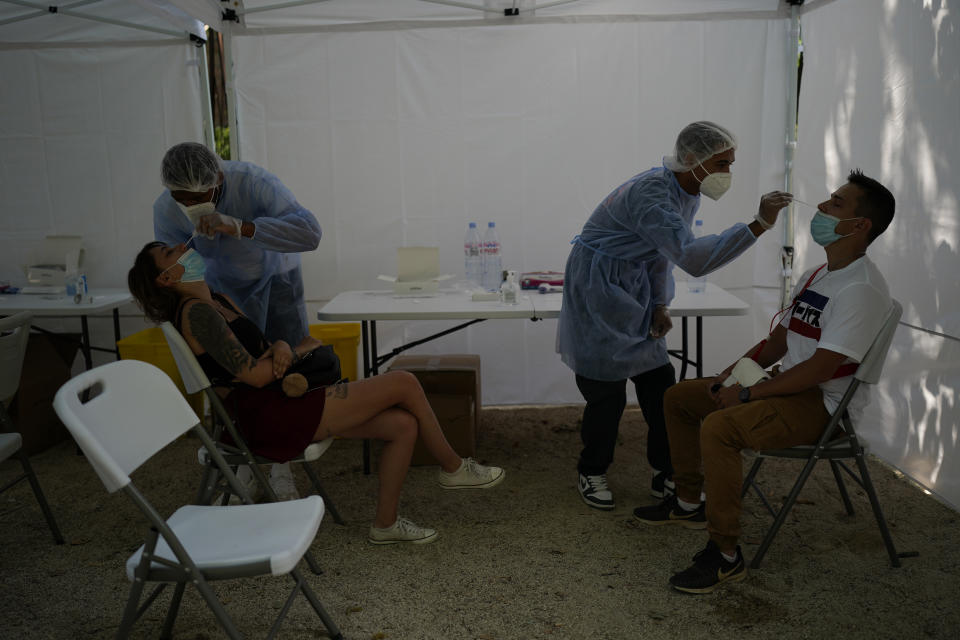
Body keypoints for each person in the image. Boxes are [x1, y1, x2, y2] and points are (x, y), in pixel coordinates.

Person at [128, 241, 505, 545]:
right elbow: (256, 376)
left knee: (403, 425)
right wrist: (284, 351)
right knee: (404, 382)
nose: (181, 246)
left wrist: (279, 346)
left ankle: (385, 525)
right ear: (165, 278)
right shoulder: (196, 314)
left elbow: (262, 351)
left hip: (277, 401)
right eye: (169, 253)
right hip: (264, 415)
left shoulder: (217, 300)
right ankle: (453, 467)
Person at [634, 169, 895, 593]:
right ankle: (687, 501)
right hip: (786, 384)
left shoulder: (862, 288)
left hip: (821, 405)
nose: (823, 208)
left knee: (721, 427)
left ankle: (725, 555)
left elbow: (820, 370)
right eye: (829, 200)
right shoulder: (818, 274)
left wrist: (749, 392)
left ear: (860, 226)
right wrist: (730, 376)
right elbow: (775, 343)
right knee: (680, 397)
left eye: (836, 204)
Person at [557, 121, 792, 510]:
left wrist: (659, 304)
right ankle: (592, 469)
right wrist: (759, 224)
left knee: (660, 384)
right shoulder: (651, 194)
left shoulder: (687, 189)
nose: (727, 174)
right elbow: (693, 258)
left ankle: (667, 471)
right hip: (597, 286)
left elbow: (659, 251)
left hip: (634, 282)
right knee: (606, 391)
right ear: (689, 158)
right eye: (720, 164)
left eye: (730, 164)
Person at [154, 142, 320, 499]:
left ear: (219, 177)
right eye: (182, 198)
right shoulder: (166, 209)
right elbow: (173, 270)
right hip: (220, 295)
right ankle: (245, 460)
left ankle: (281, 465)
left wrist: (242, 227)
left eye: (200, 196)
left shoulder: (253, 182)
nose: (190, 205)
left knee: (285, 372)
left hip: (276, 280)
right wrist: (204, 311)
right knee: (234, 381)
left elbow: (310, 232)